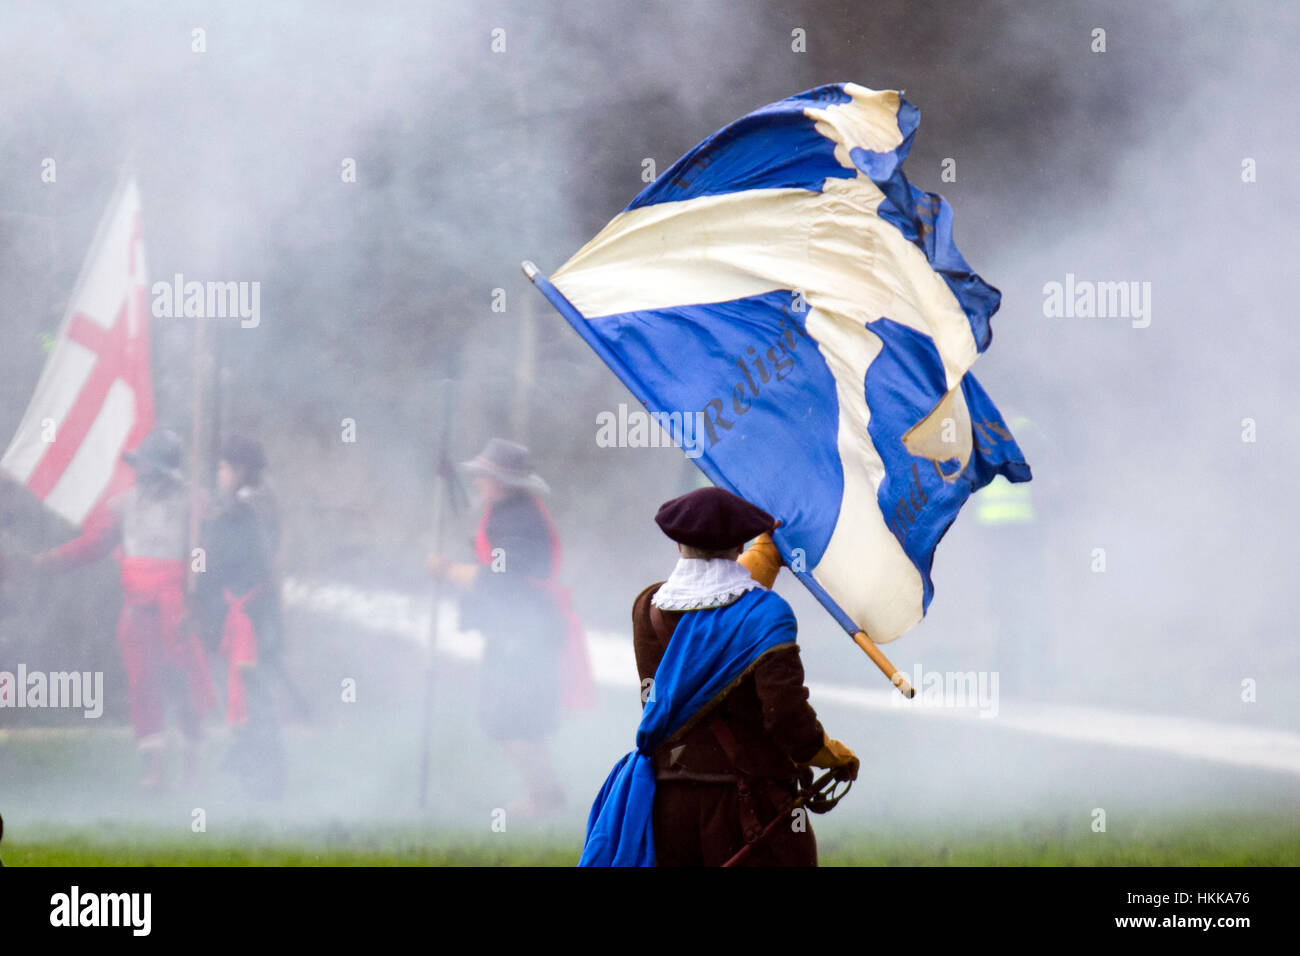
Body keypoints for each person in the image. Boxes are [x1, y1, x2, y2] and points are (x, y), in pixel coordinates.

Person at [580, 486, 859, 867]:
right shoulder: (767, 614)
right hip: (747, 803)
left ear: (679, 544)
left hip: (666, 801)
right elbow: (786, 717)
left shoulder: (649, 607)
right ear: (738, 543)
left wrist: (764, 556)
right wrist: (829, 754)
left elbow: (711, 614)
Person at [33, 429, 213, 791]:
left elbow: (206, 557)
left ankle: (191, 767)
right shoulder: (124, 505)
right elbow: (94, 546)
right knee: (143, 686)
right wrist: (50, 561)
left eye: (148, 463)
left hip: (177, 609)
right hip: (139, 610)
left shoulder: (195, 505)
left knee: (182, 686)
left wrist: (197, 593)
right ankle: (155, 769)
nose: (141, 469)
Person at [427, 438, 590, 819]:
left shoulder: (518, 519)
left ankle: (544, 799)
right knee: (516, 720)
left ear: (501, 481)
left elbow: (500, 578)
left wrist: (447, 572)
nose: (480, 483)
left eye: (485, 476)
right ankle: (546, 796)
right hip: (515, 631)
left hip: (523, 634)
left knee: (512, 720)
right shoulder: (509, 511)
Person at [195, 435, 285, 799]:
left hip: (248, 617)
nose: (219, 474)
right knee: (257, 697)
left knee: (255, 700)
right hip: (260, 613)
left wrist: (196, 589)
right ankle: (260, 778)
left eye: (222, 468)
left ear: (238, 470)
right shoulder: (263, 505)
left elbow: (214, 563)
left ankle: (263, 782)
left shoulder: (238, 513)